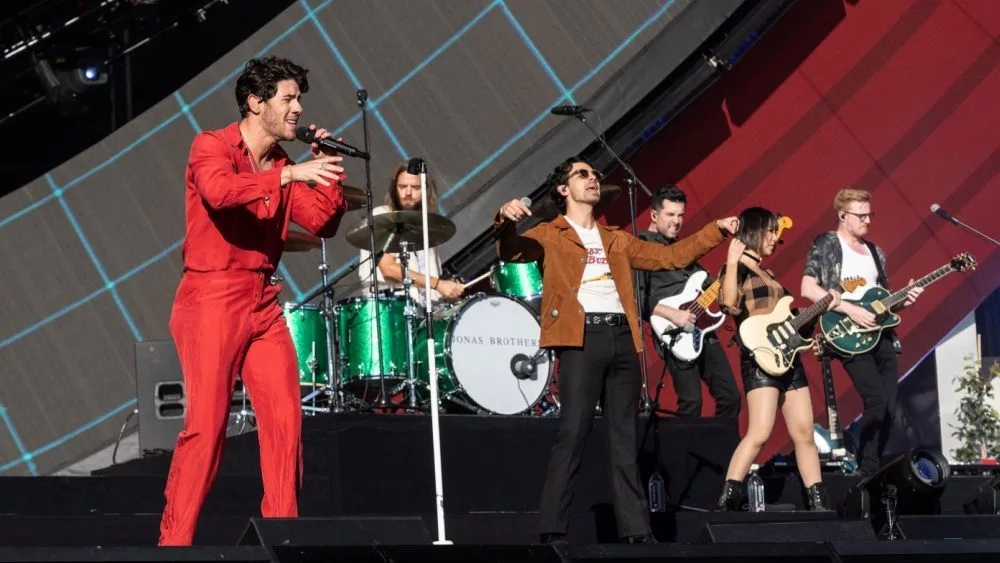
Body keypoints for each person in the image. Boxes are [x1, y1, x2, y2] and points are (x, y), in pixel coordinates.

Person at [496, 157, 737, 544]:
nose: (593, 179)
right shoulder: (549, 233)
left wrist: (716, 231)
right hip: (581, 338)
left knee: (625, 438)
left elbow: (670, 257)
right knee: (573, 432)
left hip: (623, 339)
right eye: (582, 174)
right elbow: (511, 250)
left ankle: (637, 531)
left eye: (594, 174)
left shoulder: (616, 238)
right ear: (563, 189)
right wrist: (504, 218)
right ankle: (552, 529)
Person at [158, 56, 348, 546]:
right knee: (207, 427)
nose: (297, 109)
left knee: (286, 422)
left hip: (262, 300)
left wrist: (325, 175)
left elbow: (322, 223)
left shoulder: (285, 162)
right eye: (288, 99)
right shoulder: (211, 145)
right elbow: (220, 193)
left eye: (298, 99)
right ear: (255, 102)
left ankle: (283, 539)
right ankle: (173, 545)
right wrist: (288, 177)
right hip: (211, 297)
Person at [714, 207, 839, 512]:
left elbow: (790, 322)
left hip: (787, 357)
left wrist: (821, 309)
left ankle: (818, 502)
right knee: (759, 432)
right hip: (759, 357)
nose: (775, 238)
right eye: (771, 231)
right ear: (755, 231)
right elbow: (728, 304)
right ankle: (727, 502)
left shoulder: (768, 274)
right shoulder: (737, 268)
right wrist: (731, 262)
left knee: (805, 432)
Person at [800, 188, 922, 478]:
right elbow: (808, 289)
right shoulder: (828, 244)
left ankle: (869, 462)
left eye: (870, 214)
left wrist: (904, 299)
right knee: (875, 400)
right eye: (861, 215)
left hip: (881, 337)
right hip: (847, 334)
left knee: (890, 409)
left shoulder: (875, 253)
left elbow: (881, 307)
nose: (867, 219)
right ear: (843, 215)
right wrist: (850, 309)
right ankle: (868, 472)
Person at [635, 186, 740, 418]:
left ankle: (722, 452)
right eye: (670, 215)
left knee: (730, 396)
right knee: (691, 403)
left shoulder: (681, 250)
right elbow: (635, 298)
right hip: (673, 333)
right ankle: (685, 453)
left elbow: (710, 285)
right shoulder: (641, 247)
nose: (677, 221)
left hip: (702, 327)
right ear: (654, 215)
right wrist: (673, 315)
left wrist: (737, 269)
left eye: (681, 215)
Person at [358, 162, 464, 305]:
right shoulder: (382, 216)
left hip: (426, 314)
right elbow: (388, 268)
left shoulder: (425, 227)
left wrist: (447, 291)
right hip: (393, 312)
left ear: (425, 190)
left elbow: (430, 282)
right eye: (402, 187)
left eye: (415, 187)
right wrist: (438, 284)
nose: (408, 192)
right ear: (394, 189)